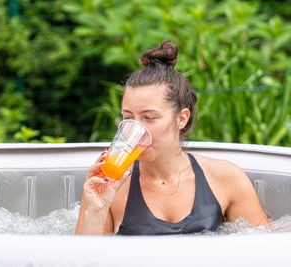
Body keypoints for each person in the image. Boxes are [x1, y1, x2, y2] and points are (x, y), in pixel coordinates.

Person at [75, 40, 269, 235]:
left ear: (181, 118)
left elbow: (265, 251)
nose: (136, 130)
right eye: (128, 118)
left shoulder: (225, 178)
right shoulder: (109, 186)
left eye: (149, 118)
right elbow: (80, 261)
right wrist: (96, 211)